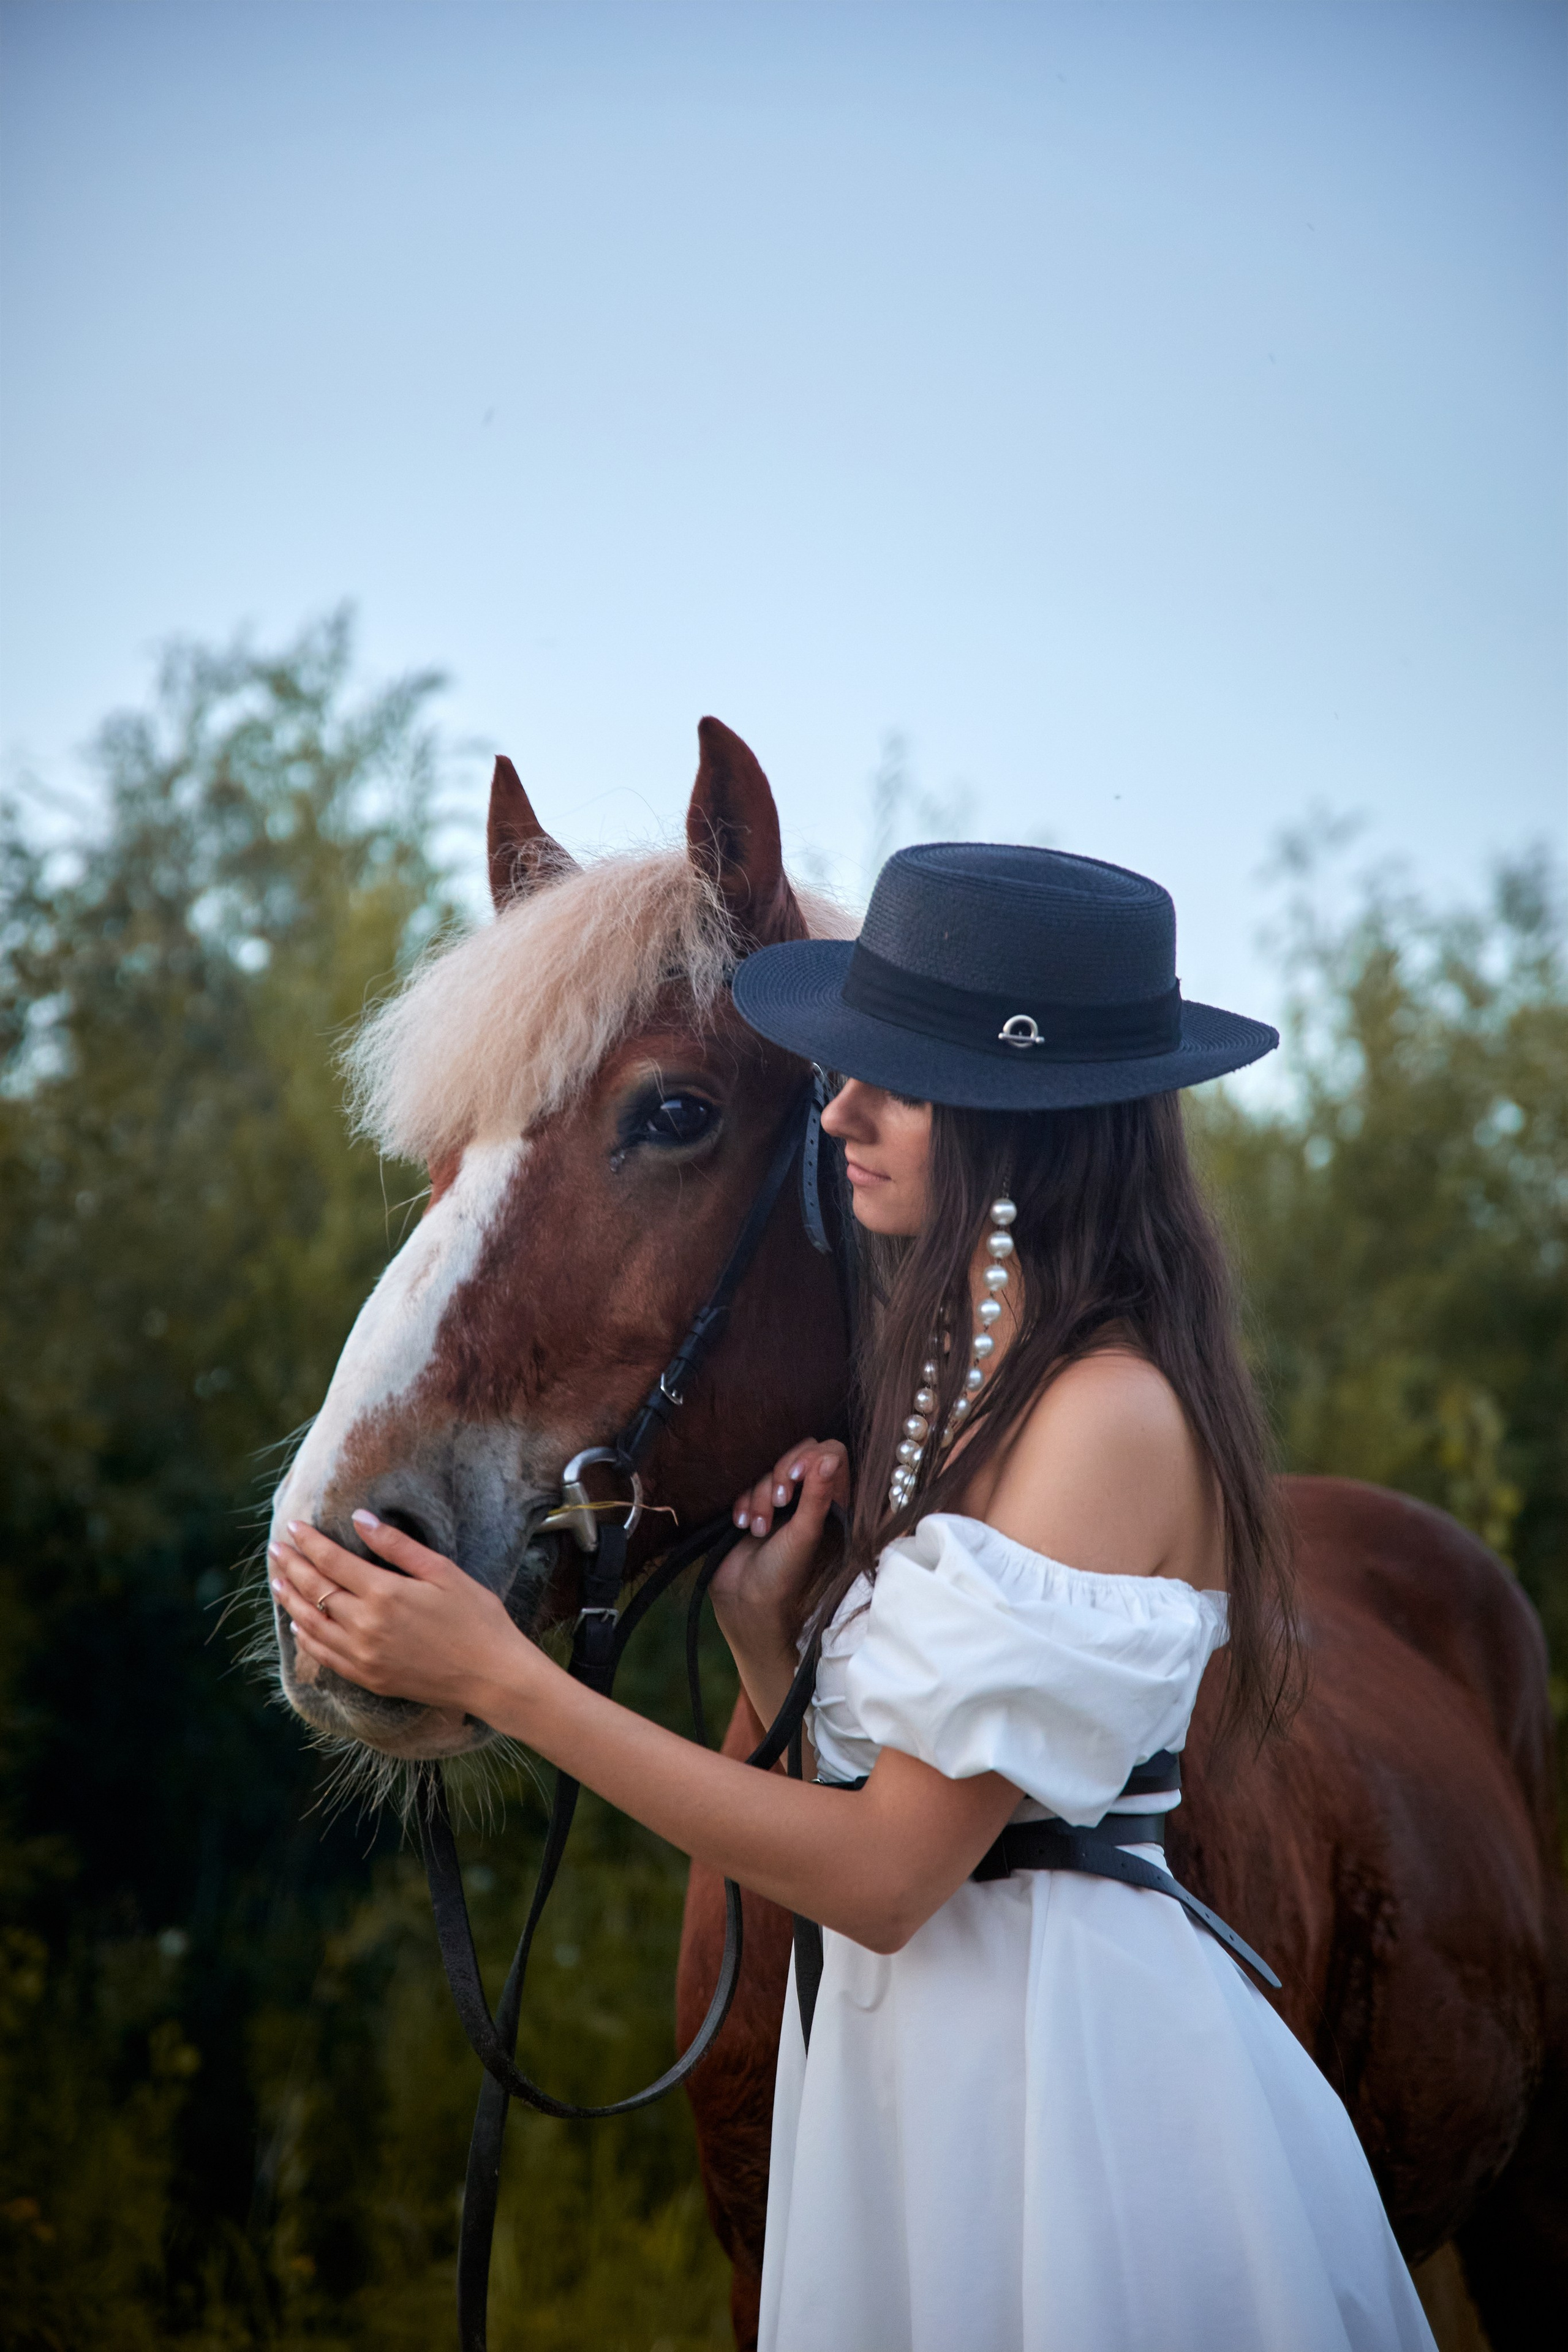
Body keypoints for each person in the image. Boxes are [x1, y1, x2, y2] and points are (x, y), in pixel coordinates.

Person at [270, 842, 1437, 2352]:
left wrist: (507, 1683)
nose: (837, 1113)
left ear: (1033, 1121)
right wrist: (770, 1654)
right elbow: (917, 1797)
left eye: (900, 1079)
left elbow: (892, 1878)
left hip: (1062, 2096)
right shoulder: (977, 1403)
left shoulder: (1102, 1417)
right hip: (924, 2071)